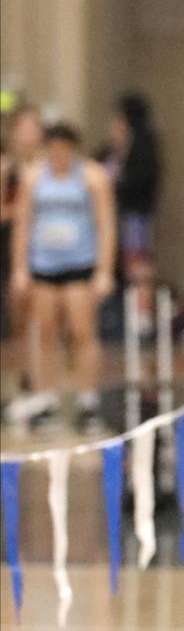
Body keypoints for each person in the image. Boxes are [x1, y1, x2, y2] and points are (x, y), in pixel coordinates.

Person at [11, 123, 115, 432]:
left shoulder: (92, 177)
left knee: (82, 331)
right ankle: (46, 399)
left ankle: (87, 400)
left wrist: (104, 270)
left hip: (78, 264)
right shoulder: (34, 178)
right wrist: (20, 268)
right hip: (44, 265)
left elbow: (105, 223)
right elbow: (23, 223)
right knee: (45, 332)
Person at [97, 93, 162, 336]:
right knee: (116, 264)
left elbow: (143, 179)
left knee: (138, 264)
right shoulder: (112, 148)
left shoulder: (145, 144)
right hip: (112, 215)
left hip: (136, 214)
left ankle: (142, 319)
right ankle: (114, 317)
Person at [1, 104, 45, 424]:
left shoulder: (50, 167)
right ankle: (16, 387)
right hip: (10, 249)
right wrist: (23, 211)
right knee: (16, 323)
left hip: (44, 251)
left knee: (41, 323)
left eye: (35, 127)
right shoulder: (7, 168)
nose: (31, 134)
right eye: (25, 128)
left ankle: (39, 390)